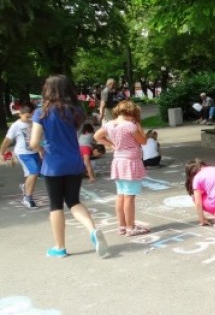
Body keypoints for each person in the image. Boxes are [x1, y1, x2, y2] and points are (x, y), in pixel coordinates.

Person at [29, 74, 109, 258]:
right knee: (73, 201)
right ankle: (92, 230)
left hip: (53, 164)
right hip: (74, 161)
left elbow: (33, 142)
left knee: (56, 205)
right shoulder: (75, 110)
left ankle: (60, 247)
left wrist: (41, 149)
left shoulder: (42, 112)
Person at [94, 100, 149, 237]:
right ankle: (130, 227)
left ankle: (122, 226)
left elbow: (97, 136)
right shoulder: (130, 125)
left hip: (118, 161)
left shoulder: (109, 124)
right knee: (129, 196)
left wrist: (111, 145)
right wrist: (138, 125)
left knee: (121, 195)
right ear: (131, 113)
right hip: (131, 161)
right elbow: (143, 141)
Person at [0, 102, 41, 208]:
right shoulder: (16, 125)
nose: (30, 119)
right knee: (34, 172)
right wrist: (4, 155)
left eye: (32, 116)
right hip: (23, 153)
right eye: (27, 116)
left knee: (33, 175)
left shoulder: (35, 122)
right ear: (20, 114)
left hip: (34, 152)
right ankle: (27, 198)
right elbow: (7, 141)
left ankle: (25, 187)